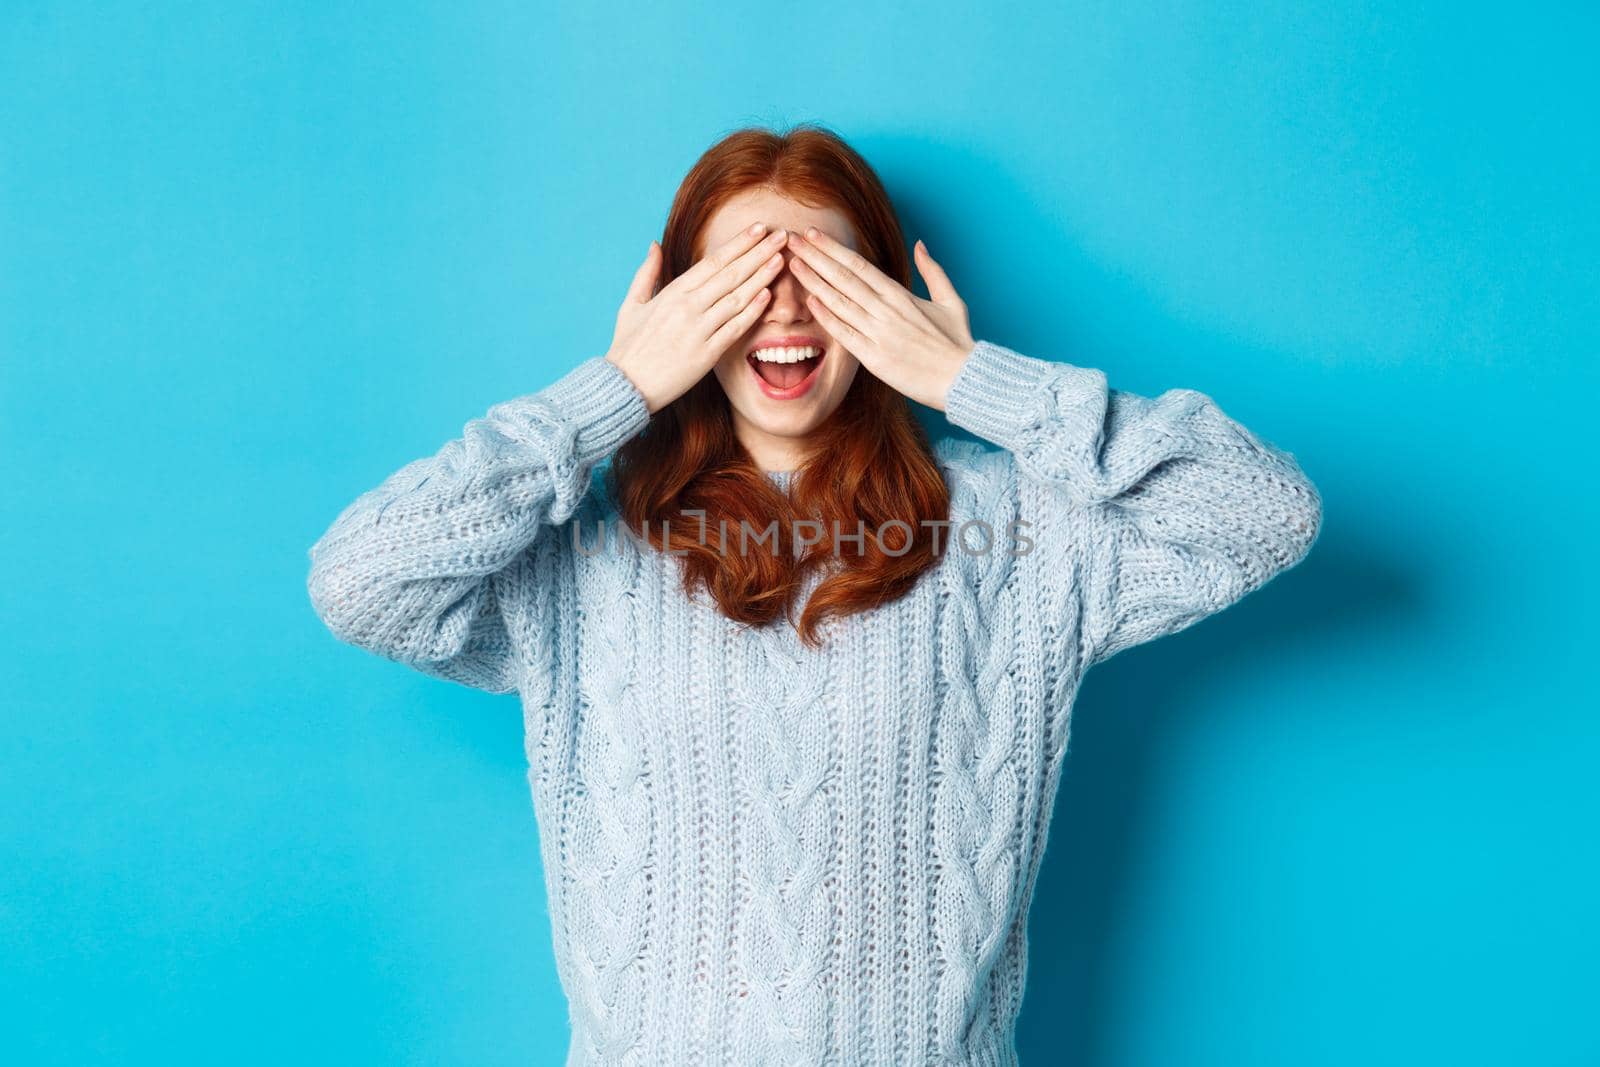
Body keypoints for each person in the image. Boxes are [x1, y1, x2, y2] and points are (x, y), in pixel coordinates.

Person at [306, 123, 1322, 1066]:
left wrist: (970, 377)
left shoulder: (1016, 530)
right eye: (742, 276)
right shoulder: (584, 542)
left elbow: (1265, 512)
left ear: (882, 301)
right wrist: (611, 391)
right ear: (678, 308)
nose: (783, 310)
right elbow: (360, 580)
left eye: (822, 277)